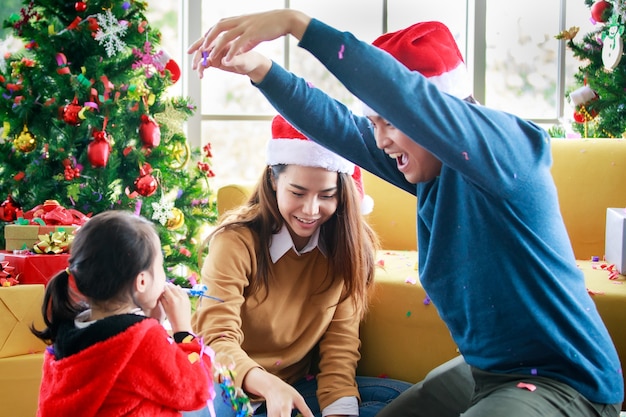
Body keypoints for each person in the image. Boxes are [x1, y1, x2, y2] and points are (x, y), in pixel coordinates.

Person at [187, 10, 624, 417]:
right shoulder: (430, 173)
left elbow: (405, 95)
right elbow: (337, 126)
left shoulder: (506, 152)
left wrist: (296, 24)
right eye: (375, 123)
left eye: (389, 123)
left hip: (566, 381)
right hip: (488, 372)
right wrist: (260, 70)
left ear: (435, 112)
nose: (379, 142)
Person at [186, 114, 411, 417]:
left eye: (327, 195)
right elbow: (216, 342)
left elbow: (339, 354)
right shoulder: (236, 242)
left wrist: (340, 412)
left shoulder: (348, 250)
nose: (310, 210)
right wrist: (267, 385)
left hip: (295, 389)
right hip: (229, 390)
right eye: (297, 192)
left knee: (405, 399)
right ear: (273, 180)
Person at [31, 210, 215, 417]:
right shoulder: (142, 341)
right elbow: (197, 390)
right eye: (160, 266)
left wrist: (149, 321)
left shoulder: (68, 333)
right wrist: (184, 332)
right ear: (142, 281)